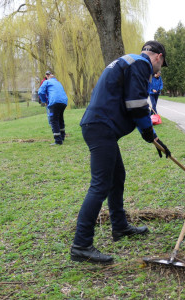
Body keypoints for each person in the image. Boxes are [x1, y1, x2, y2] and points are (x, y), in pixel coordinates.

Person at [70, 41, 171, 264]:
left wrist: (152, 136)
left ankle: (120, 227)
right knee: (100, 185)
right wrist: (148, 133)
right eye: (162, 64)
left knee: (117, 177)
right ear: (158, 57)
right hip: (100, 127)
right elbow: (136, 104)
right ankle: (81, 245)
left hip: (99, 126)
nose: (159, 70)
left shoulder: (129, 61)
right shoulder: (142, 64)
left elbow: (128, 100)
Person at [38, 72, 68, 145]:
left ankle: (58, 140)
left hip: (54, 102)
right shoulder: (58, 83)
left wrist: (44, 100)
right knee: (60, 119)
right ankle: (62, 137)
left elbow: (40, 92)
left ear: (48, 77)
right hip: (63, 102)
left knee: (53, 120)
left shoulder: (47, 82)